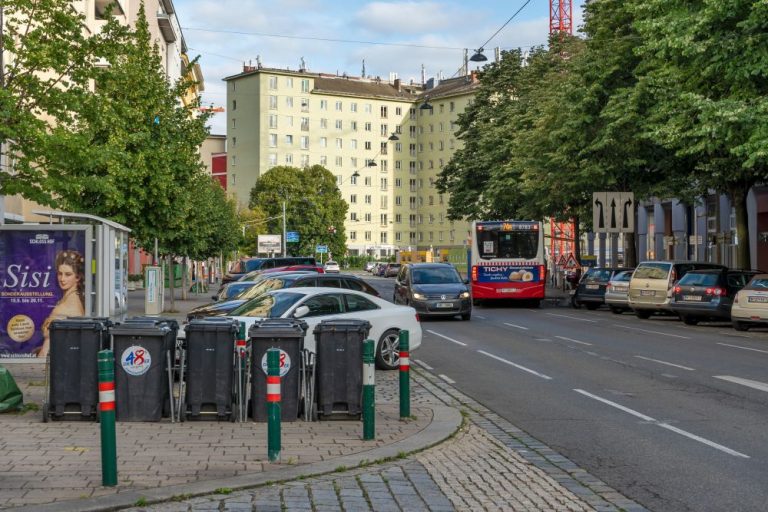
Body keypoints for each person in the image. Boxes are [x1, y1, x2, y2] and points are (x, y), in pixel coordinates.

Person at [38, 250, 86, 358]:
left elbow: (47, 348)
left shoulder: (66, 307)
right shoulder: (71, 298)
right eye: (60, 274)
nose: (62, 279)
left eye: (68, 274)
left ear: (77, 277)